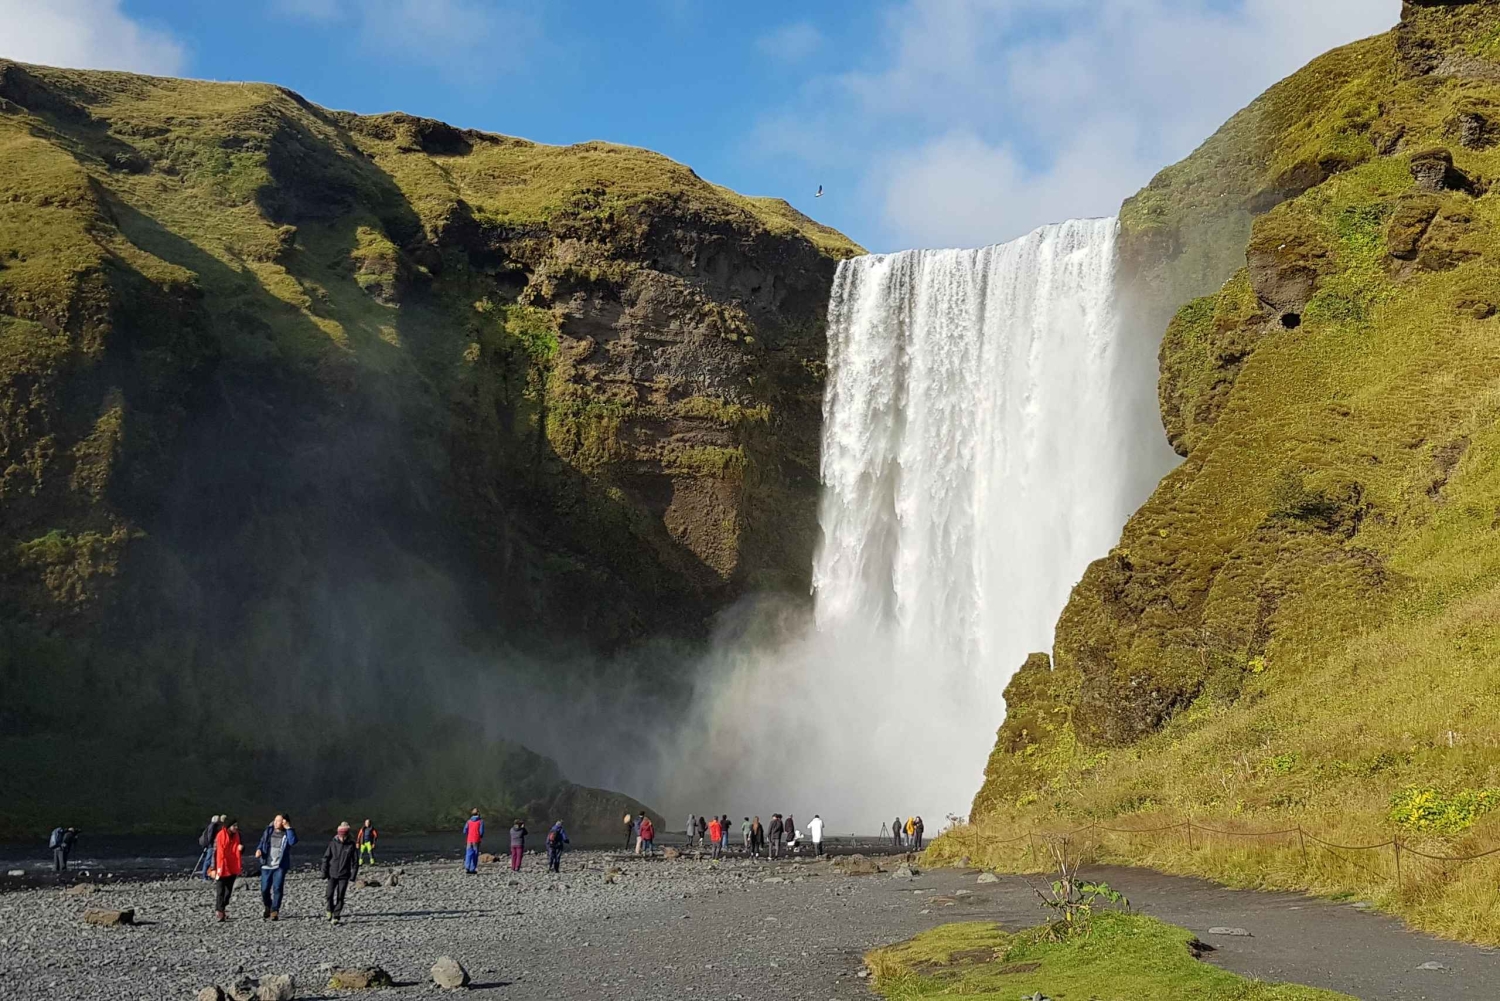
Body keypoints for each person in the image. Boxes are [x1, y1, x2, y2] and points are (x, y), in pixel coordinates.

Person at [254, 814, 297, 921]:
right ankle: (268, 906)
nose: (276, 823)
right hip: (266, 865)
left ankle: (274, 910)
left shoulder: (287, 833)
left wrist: (288, 828)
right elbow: (262, 842)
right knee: (264, 889)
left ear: (284, 822)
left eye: (279, 821)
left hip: (280, 866)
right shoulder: (268, 831)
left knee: (277, 888)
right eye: (275, 820)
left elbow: (293, 841)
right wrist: (259, 849)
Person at [321, 822, 359, 925]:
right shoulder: (333, 843)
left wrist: (353, 875)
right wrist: (324, 872)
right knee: (329, 894)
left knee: (340, 896)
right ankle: (329, 909)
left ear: (347, 835)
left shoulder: (351, 845)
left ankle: (336, 916)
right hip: (332, 873)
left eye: (344, 836)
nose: (342, 838)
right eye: (340, 836)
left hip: (344, 875)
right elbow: (326, 858)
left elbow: (355, 862)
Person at [209, 818, 242, 922]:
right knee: (220, 890)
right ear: (228, 826)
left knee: (228, 891)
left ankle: (222, 908)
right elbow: (214, 852)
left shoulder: (237, 836)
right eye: (234, 826)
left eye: (236, 825)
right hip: (221, 866)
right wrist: (213, 868)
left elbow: (239, 849)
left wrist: (241, 849)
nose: (236, 828)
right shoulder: (220, 836)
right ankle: (219, 911)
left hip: (232, 866)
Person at [195, 815, 222, 880]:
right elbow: (210, 837)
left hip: (211, 845)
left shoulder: (212, 826)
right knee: (208, 860)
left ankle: (206, 874)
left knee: (209, 860)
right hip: (211, 845)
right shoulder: (212, 826)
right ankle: (204, 875)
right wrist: (211, 844)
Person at [463, 808, 484, 874]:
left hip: (469, 839)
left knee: (468, 853)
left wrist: (469, 834)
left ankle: (467, 867)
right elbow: (481, 832)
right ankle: (472, 869)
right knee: (475, 854)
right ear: (478, 813)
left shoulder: (468, 821)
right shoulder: (480, 821)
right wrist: (480, 837)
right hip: (476, 839)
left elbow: (464, 831)